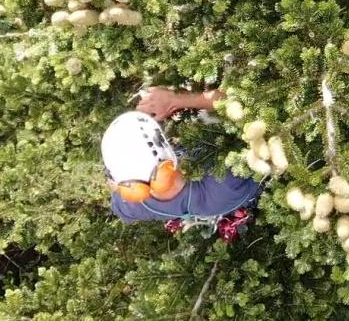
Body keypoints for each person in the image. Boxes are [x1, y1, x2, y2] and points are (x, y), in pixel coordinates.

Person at [101, 87, 262, 242]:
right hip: (244, 183)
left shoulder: (131, 205)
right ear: (165, 155)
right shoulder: (224, 181)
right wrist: (176, 100)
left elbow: (119, 205)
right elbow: (246, 106)